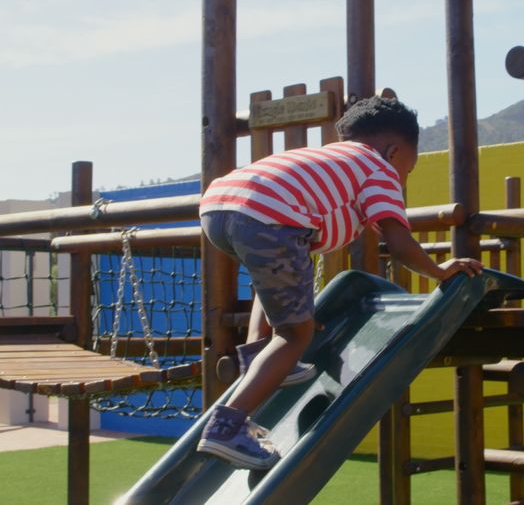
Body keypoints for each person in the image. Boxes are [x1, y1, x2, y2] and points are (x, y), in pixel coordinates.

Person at [195, 96, 482, 469]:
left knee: (277, 280)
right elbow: (398, 242)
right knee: (297, 333)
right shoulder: (378, 169)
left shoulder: (329, 160)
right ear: (395, 152)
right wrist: (439, 271)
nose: (403, 180)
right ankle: (227, 426)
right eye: (408, 171)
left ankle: (256, 353)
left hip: (218, 207)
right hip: (268, 215)